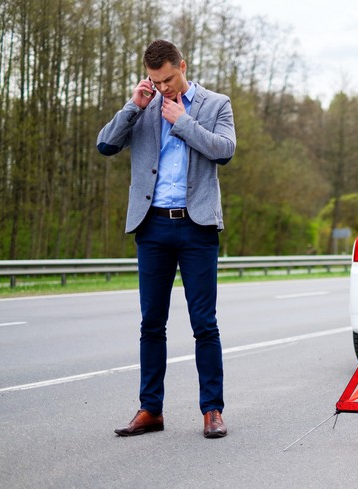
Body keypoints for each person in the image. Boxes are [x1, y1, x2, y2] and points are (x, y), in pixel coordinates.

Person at [97, 39, 236, 438]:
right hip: (153, 226)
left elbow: (224, 151)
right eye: (157, 82)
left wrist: (183, 122)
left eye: (169, 79)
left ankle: (212, 410)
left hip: (197, 227)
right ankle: (150, 410)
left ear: (183, 66)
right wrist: (133, 106)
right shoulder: (144, 105)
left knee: (204, 324)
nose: (164, 89)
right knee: (151, 324)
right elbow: (105, 145)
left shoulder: (215, 104)